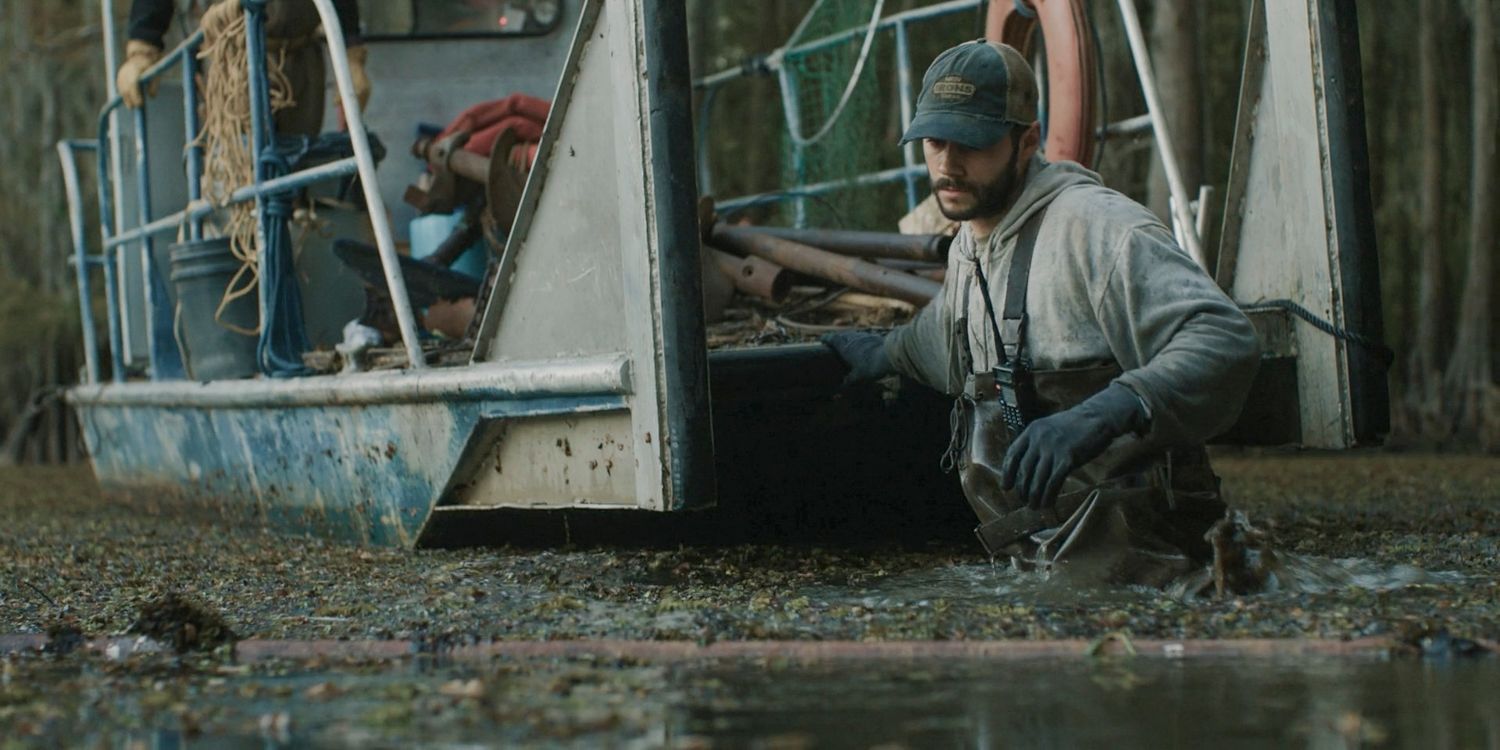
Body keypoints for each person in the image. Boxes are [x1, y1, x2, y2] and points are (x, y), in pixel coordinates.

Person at [823, 40, 1261, 587]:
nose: (948, 165)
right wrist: (884, 352)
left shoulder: (1097, 228)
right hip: (1044, 566)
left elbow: (1225, 339)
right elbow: (944, 339)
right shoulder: (969, 244)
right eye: (935, 142)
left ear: (1026, 140)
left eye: (973, 143)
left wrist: (1103, 412)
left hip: (1165, 569)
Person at [114, 0, 370, 135]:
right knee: (239, 169)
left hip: (302, 60)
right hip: (232, 60)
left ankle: (296, 223)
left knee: (298, 165)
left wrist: (352, 59)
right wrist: (141, 50)